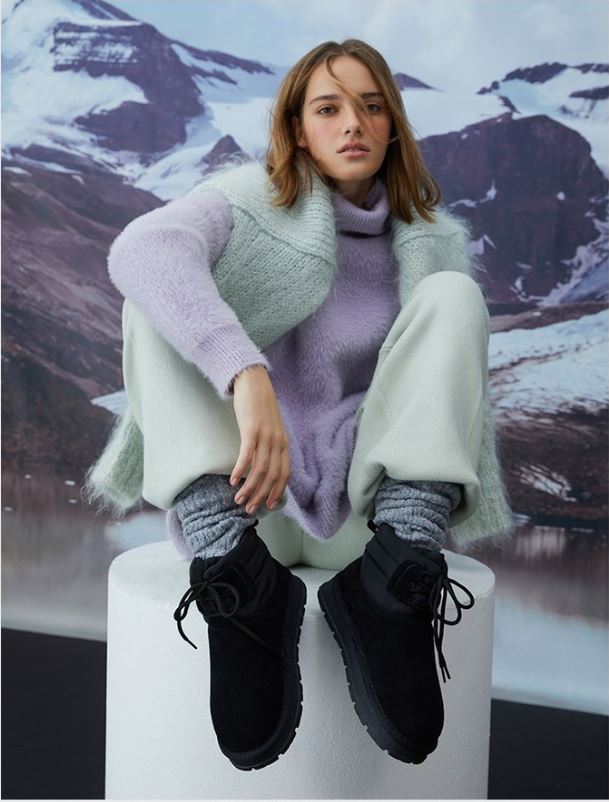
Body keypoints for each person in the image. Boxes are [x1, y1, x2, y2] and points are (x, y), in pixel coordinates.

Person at [84, 39, 514, 771]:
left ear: (392, 125)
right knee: (151, 299)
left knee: (455, 296)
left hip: (367, 526)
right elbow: (140, 250)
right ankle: (237, 584)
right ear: (298, 128)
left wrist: (397, 544)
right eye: (328, 108)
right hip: (251, 506)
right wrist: (245, 373)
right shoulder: (246, 200)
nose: (353, 124)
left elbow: (437, 393)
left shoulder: (435, 240)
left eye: (371, 107)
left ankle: (393, 587)